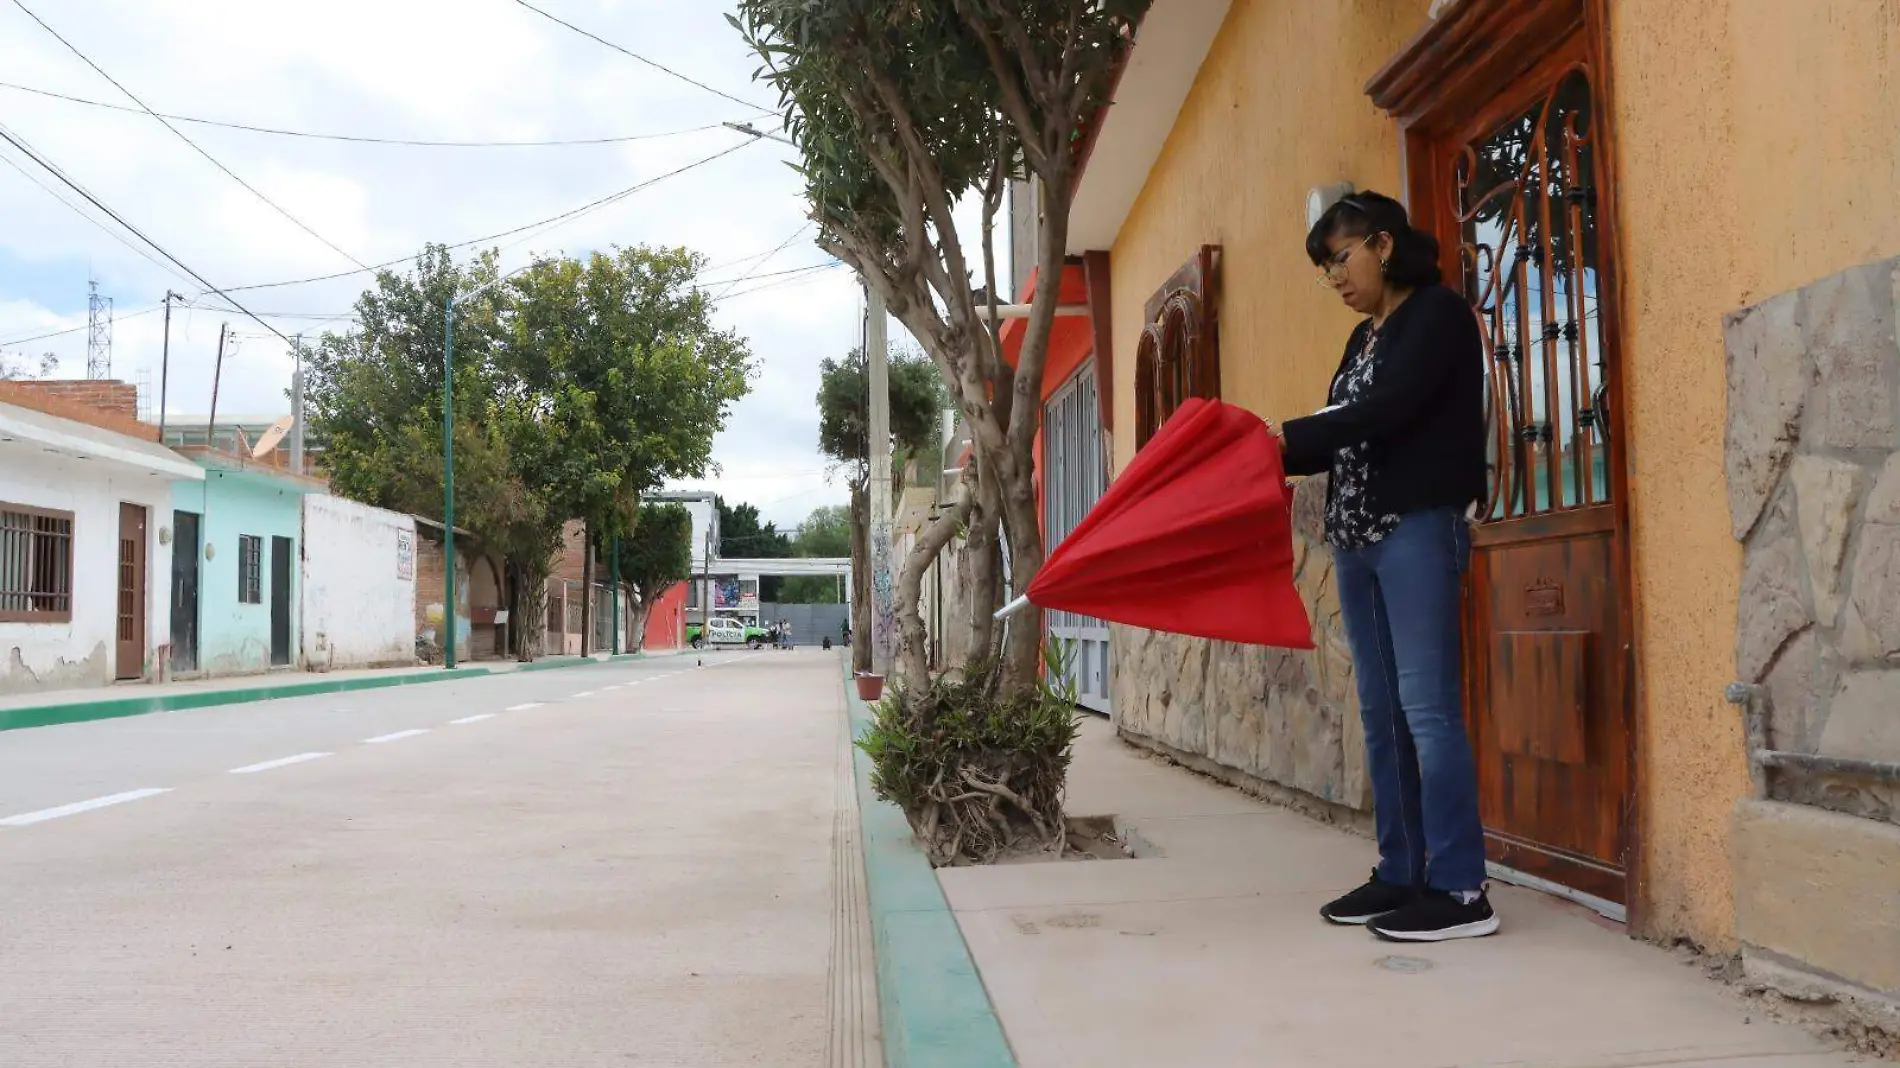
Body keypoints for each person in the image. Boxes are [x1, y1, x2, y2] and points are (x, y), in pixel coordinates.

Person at [1274, 190, 1497, 943]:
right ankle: (1402, 872)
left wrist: (1287, 438)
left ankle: (1462, 888)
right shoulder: (1360, 341)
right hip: (1358, 540)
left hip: (1415, 529)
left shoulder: (1436, 316)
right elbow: (1335, 432)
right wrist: (1266, 449)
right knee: (1381, 712)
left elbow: (1388, 410)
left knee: (1428, 711)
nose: (1335, 277)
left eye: (1341, 257)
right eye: (1324, 268)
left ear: (1384, 245)